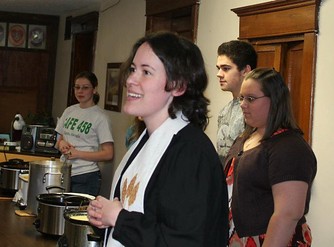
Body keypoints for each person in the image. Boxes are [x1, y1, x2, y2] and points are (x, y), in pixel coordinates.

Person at [87, 31, 228, 247]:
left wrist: (119, 219)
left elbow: (186, 242)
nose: (130, 79)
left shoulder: (191, 152)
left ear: (178, 86)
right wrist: (104, 215)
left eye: (146, 72)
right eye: (133, 69)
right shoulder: (146, 139)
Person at [224, 68, 317, 246]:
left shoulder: (289, 148)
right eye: (241, 98)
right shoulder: (244, 139)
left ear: (274, 101)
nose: (243, 104)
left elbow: (287, 215)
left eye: (250, 99)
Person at [55, 71, 114, 196]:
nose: (80, 91)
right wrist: (62, 143)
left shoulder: (100, 117)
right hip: (64, 172)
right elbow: (58, 140)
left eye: (85, 88)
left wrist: (78, 154)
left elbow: (108, 154)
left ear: (94, 89)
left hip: (86, 176)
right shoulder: (69, 110)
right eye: (77, 87)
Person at [216, 40, 257, 166]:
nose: (219, 74)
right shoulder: (224, 111)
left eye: (226, 69)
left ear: (245, 70)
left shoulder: (255, 110)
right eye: (218, 68)